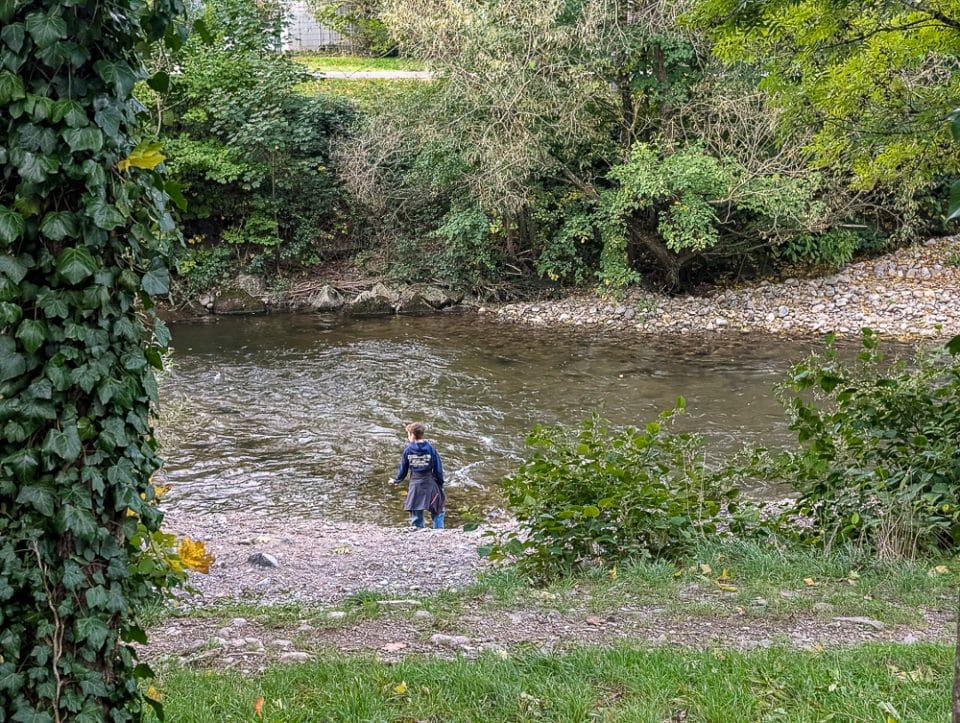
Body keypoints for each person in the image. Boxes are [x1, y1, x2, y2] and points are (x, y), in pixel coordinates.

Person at [388, 421, 445, 529]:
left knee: (416, 509)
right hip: (429, 482)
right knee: (438, 509)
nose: (408, 437)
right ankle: (439, 531)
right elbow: (438, 468)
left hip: (415, 484)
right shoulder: (430, 449)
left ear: (413, 435)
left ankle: (418, 531)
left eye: (408, 435)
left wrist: (396, 480)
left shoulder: (408, 450)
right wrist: (440, 483)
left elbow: (403, 469)